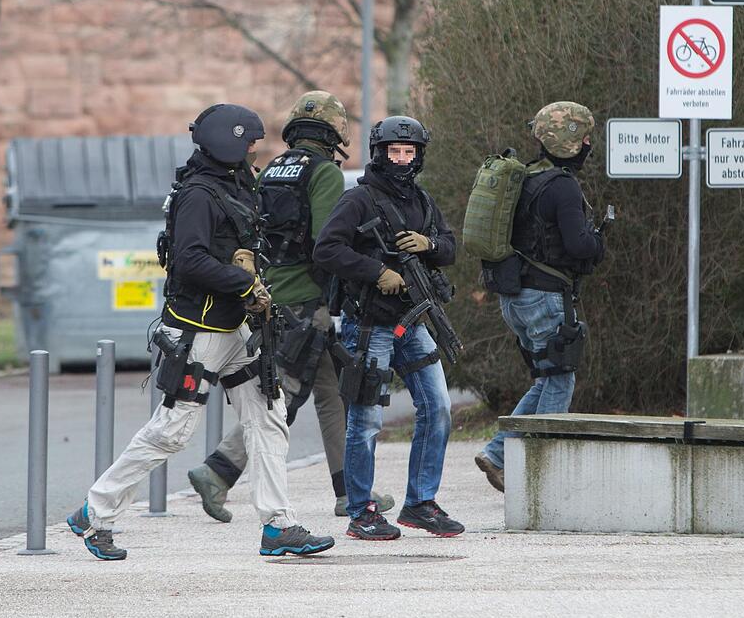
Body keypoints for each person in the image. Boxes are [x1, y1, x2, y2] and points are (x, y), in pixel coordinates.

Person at [66, 103, 335, 560]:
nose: (256, 150)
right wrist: (244, 280)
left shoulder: (237, 184)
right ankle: (94, 511)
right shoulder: (198, 194)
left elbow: (244, 244)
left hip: (234, 328)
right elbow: (189, 260)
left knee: (269, 416)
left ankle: (278, 525)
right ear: (229, 140)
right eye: (250, 141)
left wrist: (252, 268)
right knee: (172, 430)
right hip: (197, 330)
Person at [187, 91, 394, 522]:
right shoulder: (325, 174)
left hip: (270, 291)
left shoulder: (272, 170)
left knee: (334, 391)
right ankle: (217, 471)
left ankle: (349, 490)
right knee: (282, 395)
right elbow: (328, 242)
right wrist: (368, 266)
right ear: (334, 132)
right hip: (305, 299)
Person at [313, 115, 463, 540]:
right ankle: (361, 511)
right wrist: (377, 271)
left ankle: (420, 503)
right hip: (369, 326)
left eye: (408, 152)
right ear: (379, 153)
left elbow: (451, 246)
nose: (401, 159)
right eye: (394, 152)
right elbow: (327, 248)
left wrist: (429, 244)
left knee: (438, 409)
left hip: (412, 322)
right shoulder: (358, 200)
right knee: (364, 422)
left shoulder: (422, 200)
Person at [475, 101, 605, 492]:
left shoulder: (527, 177)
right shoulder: (563, 185)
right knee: (561, 378)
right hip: (545, 297)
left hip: (515, 296)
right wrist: (598, 242)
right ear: (569, 142)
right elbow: (578, 245)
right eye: (583, 138)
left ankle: (498, 453)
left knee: (546, 377)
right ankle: (540, 471)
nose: (586, 145)